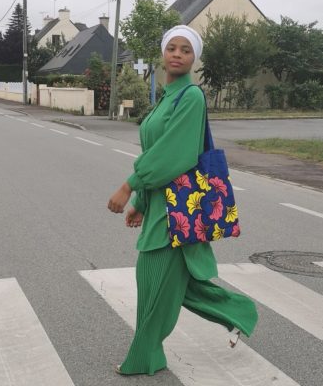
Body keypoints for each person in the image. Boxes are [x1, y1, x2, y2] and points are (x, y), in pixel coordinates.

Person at [107, 25, 258, 376]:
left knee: (155, 280)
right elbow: (155, 150)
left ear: (194, 58)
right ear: (163, 54)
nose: (177, 54)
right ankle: (238, 312)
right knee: (168, 284)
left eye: (185, 50)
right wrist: (142, 203)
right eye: (171, 48)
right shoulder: (166, 97)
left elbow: (175, 156)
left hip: (178, 209)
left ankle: (144, 356)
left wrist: (129, 186)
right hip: (161, 205)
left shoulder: (190, 96)